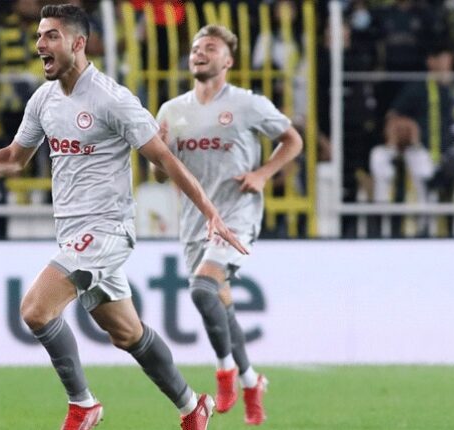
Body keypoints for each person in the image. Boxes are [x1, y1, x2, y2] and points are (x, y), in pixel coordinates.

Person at [0, 4, 246, 429]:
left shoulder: (112, 99)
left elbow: (163, 158)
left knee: (36, 310)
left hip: (107, 230)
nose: (40, 44)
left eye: (51, 36)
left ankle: (83, 404)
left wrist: (210, 212)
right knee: (128, 334)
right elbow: (15, 158)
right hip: (74, 234)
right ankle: (193, 406)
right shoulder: (43, 99)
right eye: (39, 35)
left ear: (78, 43)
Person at [154, 24, 303, 425]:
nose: (200, 53)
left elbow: (293, 140)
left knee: (202, 289)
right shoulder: (172, 111)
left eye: (210, 47)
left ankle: (226, 373)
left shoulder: (247, 104)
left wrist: (263, 174)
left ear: (228, 60)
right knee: (219, 301)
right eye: (196, 48)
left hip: (237, 214)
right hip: (195, 222)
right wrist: (159, 153)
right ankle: (252, 381)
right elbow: (160, 175)